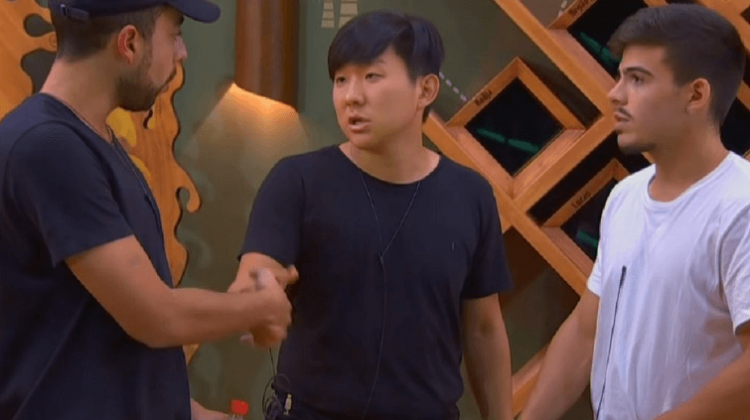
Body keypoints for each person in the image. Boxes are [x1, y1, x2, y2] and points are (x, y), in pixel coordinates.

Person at [0, 1, 294, 419]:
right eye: (175, 35)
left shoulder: (93, 141)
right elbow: (156, 317)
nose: (182, 53)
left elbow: (101, 336)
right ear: (129, 43)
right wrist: (262, 307)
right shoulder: (49, 146)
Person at [230, 9, 514, 420]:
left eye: (371, 76)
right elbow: (258, 270)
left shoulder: (470, 195)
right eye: (341, 80)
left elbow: (484, 328)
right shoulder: (297, 181)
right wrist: (257, 295)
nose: (351, 96)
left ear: (425, 89)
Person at [519, 4, 750, 420]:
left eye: (638, 79)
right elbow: (586, 330)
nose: (616, 94)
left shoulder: (740, 207)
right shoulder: (624, 196)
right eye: (620, 76)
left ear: (696, 95)